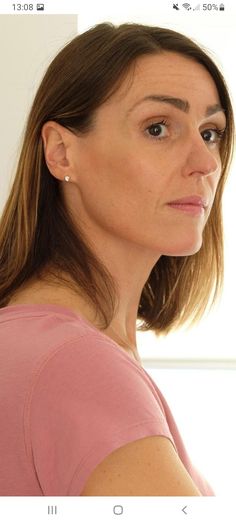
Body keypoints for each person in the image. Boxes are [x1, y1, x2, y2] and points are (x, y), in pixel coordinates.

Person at [0, 22, 234, 497]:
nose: (205, 163)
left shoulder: (42, 344)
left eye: (210, 133)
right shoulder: (75, 366)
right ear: (62, 152)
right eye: (158, 128)